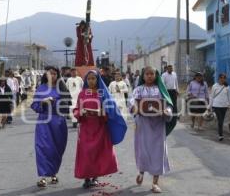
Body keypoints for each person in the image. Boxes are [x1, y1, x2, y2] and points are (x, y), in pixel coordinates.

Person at [73, 70, 127, 189]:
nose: (91, 81)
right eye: (89, 79)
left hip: (100, 128)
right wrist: (80, 113)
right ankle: (86, 177)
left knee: (98, 153)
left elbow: (110, 110)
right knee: (86, 153)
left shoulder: (103, 94)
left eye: (93, 78)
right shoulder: (82, 94)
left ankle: (95, 177)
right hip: (86, 128)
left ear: (98, 80)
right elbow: (77, 109)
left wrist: (102, 113)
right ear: (86, 81)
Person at [130, 66, 175, 194]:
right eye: (147, 74)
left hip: (158, 126)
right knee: (143, 151)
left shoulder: (161, 90)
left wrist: (167, 111)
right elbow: (132, 101)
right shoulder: (138, 89)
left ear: (156, 76)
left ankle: (155, 183)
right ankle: (141, 172)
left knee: (158, 153)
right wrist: (135, 107)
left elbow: (168, 104)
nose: (149, 76)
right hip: (143, 125)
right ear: (143, 76)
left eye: (152, 74)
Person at [30, 66, 71, 188]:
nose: (52, 76)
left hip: (58, 121)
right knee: (42, 147)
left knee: (56, 149)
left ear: (57, 75)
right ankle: (42, 177)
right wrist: (43, 102)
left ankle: (53, 173)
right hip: (44, 121)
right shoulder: (41, 88)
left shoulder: (61, 88)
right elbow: (34, 105)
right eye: (50, 73)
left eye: (54, 74)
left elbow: (67, 104)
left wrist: (54, 102)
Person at [208, 73, 230, 141]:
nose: (222, 79)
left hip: (224, 106)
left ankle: (220, 132)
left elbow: (229, 97)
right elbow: (211, 97)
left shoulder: (227, 87)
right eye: (221, 78)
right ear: (218, 78)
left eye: (224, 78)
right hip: (216, 106)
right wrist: (209, 106)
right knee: (220, 120)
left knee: (221, 120)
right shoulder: (214, 86)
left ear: (225, 79)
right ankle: (220, 135)